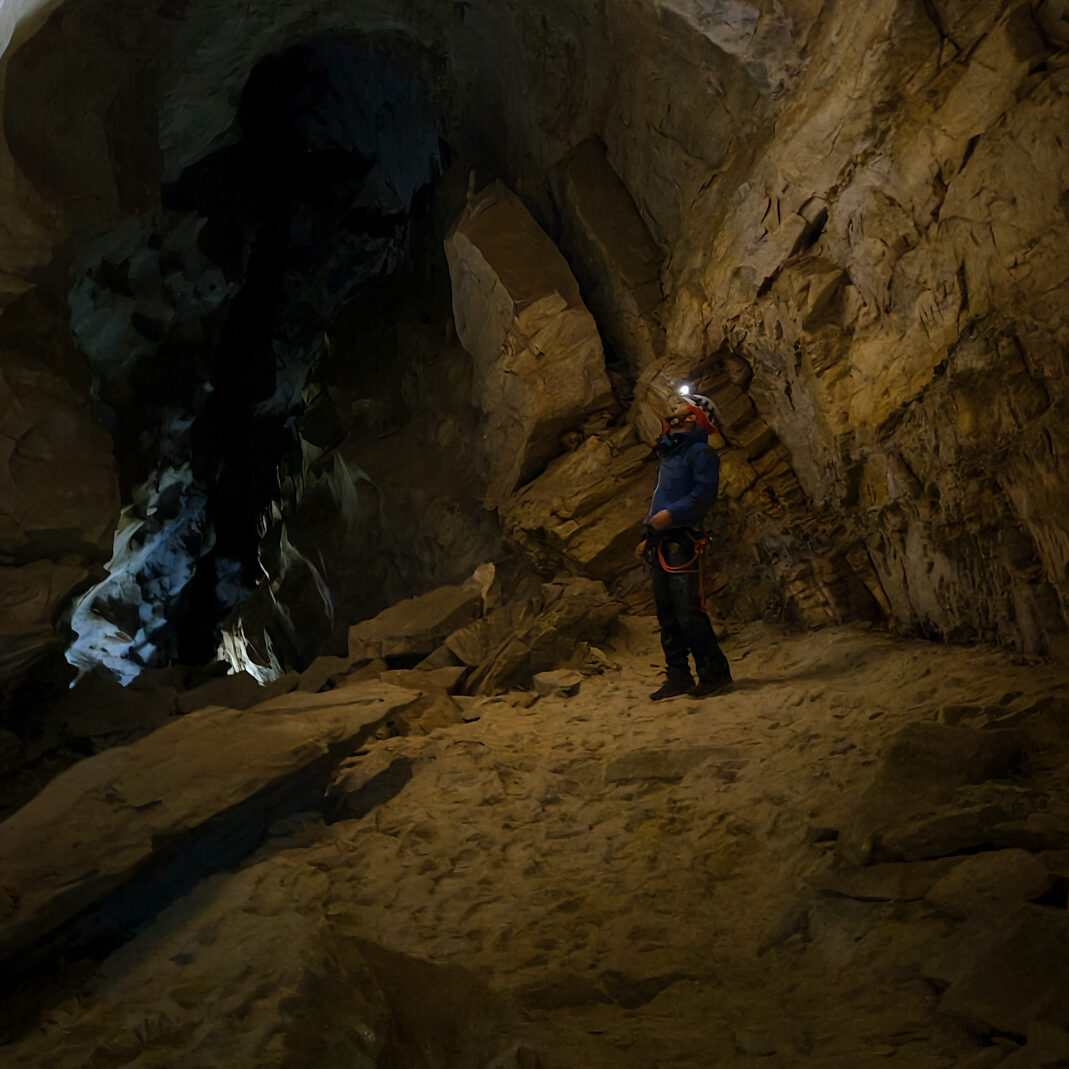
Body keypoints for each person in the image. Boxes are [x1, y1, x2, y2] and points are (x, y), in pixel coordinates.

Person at [638, 392, 732, 700]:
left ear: (696, 419)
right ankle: (678, 675)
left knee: (688, 612)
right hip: (663, 540)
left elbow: (703, 496)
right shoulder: (672, 455)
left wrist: (671, 515)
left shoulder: (701, 454)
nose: (674, 415)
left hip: (683, 541)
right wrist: (649, 531)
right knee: (667, 613)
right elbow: (661, 497)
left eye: (682, 411)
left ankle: (714, 674)